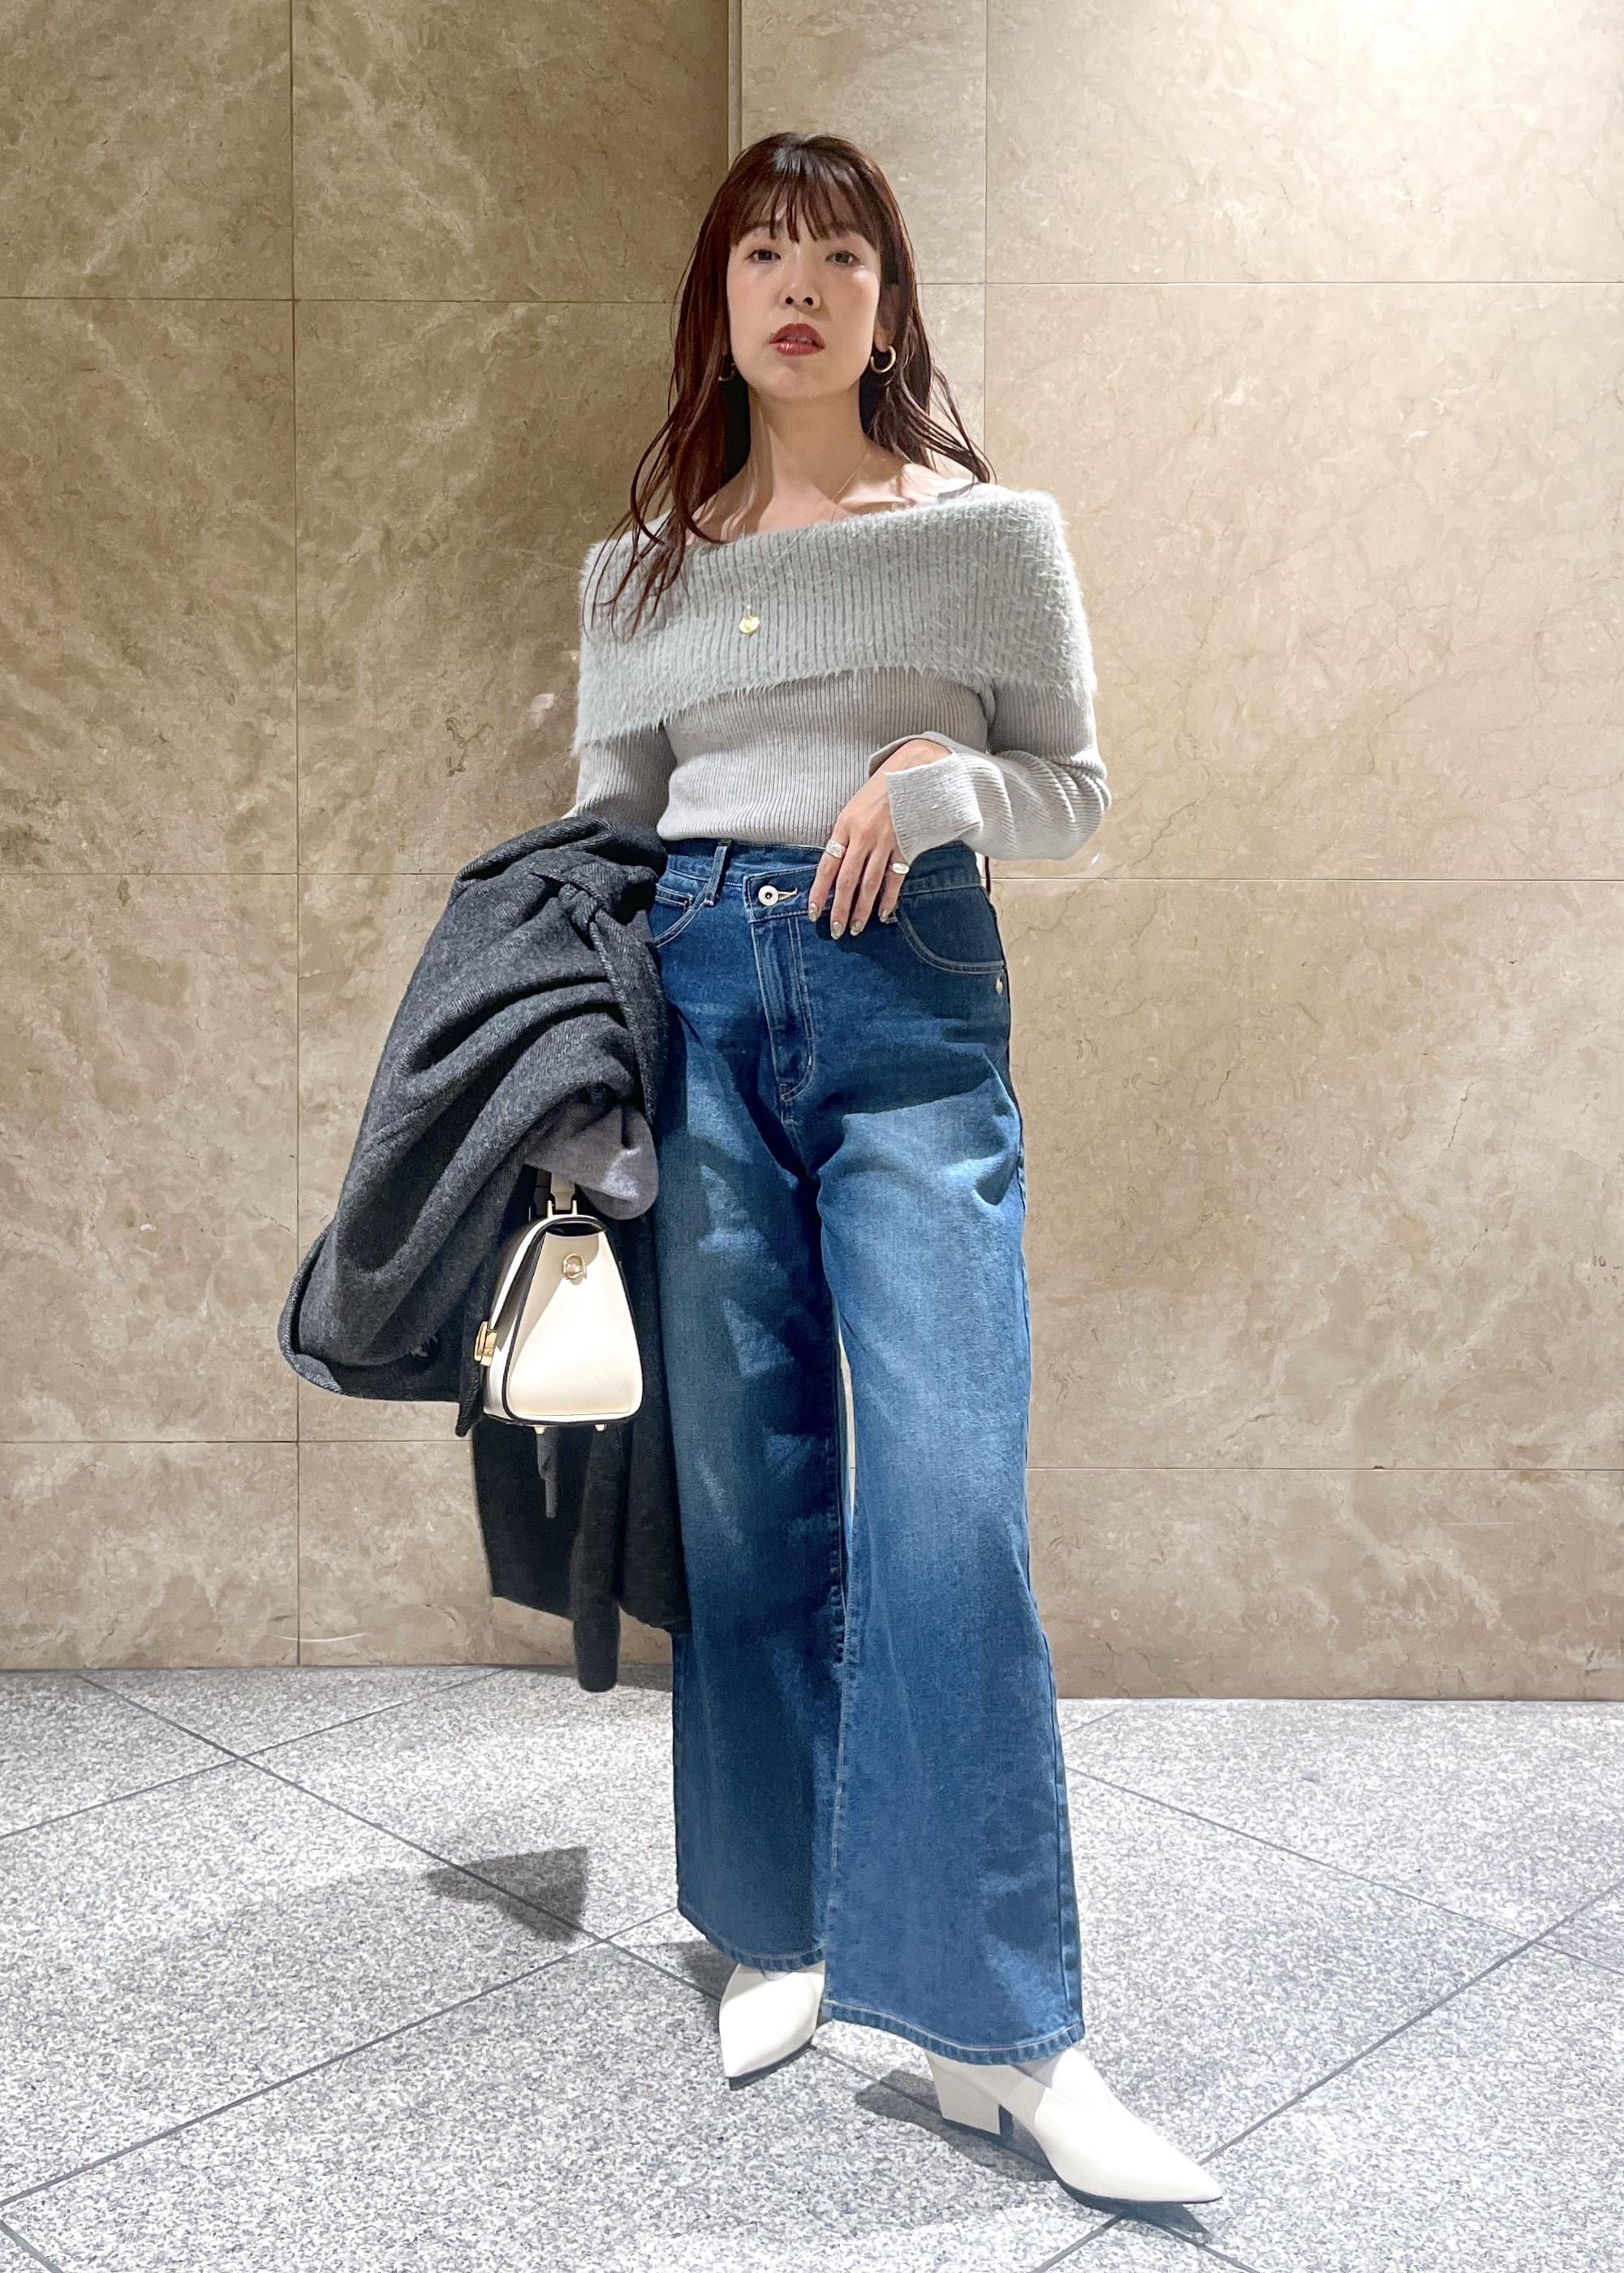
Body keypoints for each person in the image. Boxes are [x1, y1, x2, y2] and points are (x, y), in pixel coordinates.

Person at [566, 129, 1221, 2209]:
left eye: (838, 253)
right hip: (696, 1006)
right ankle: (774, 1923)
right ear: (718, 297)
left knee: (946, 1501)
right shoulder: (639, 571)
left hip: (904, 1006)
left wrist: (944, 788)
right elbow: (607, 832)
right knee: (747, 1489)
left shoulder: (986, 536)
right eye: (762, 250)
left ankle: (1001, 2036)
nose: (799, 284)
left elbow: (1071, 788)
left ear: (884, 299)